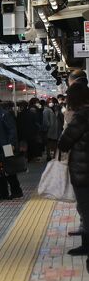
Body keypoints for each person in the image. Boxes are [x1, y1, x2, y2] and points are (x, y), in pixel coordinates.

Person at [58, 82, 89, 261]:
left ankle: (87, 246)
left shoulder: (81, 117)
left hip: (83, 172)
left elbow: (64, 143)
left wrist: (69, 122)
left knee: (86, 209)